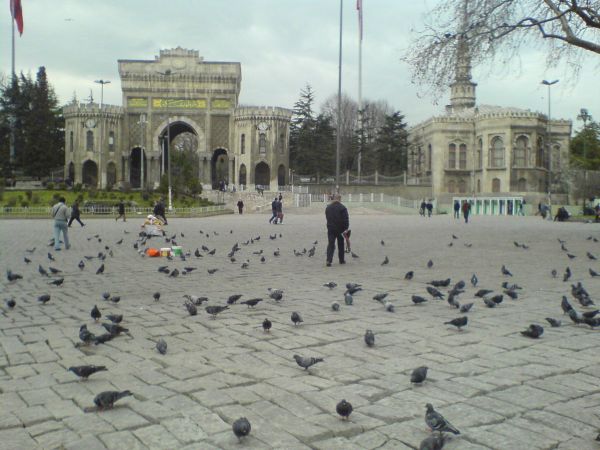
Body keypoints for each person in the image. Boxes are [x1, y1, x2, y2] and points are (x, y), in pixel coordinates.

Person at [325, 193, 349, 266]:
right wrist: (346, 228)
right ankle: (341, 260)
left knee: (331, 244)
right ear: (339, 199)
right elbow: (346, 219)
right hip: (340, 229)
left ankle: (329, 260)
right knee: (341, 244)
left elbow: (327, 218)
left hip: (331, 228)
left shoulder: (328, 207)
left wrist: (329, 225)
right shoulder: (343, 208)